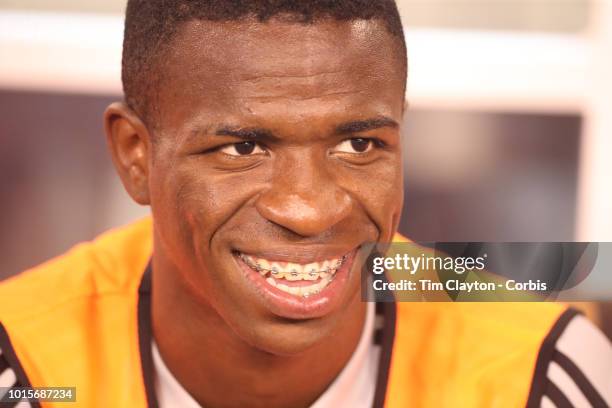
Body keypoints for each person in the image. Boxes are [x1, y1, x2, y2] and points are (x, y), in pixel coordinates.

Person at [0, 1, 610, 407]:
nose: (310, 209)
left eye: (358, 143)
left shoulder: (538, 375)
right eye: (242, 147)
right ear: (136, 155)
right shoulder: (23, 367)